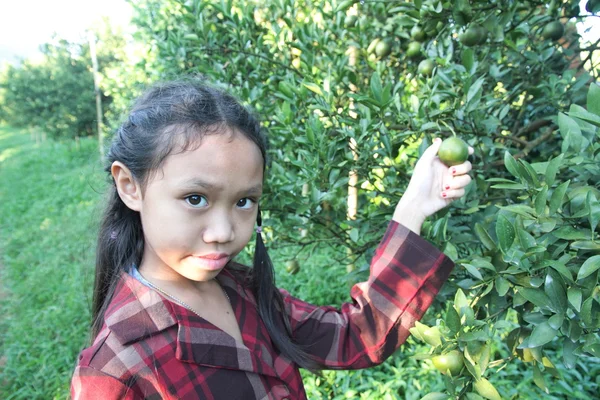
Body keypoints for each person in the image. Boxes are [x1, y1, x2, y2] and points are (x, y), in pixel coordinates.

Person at [71, 79, 472, 399]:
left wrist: (413, 206)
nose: (224, 232)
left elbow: (357, 336)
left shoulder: (243, 291)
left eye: (245, 201)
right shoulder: (115, 369)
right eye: (196, 199)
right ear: (130, 186)